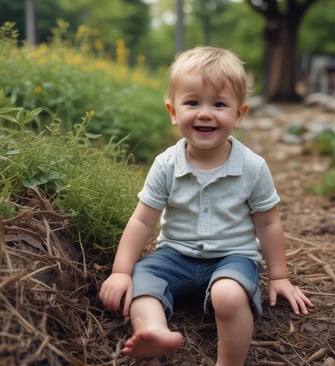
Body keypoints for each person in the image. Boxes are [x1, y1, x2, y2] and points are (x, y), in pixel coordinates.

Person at [99, 46, 314, 366]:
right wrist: (120, 272)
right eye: (192, 102)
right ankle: (156, 332)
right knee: (142, 280)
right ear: (173, 111)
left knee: (228, 295)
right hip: (175, 256)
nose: (204, 113)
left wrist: (279, 276)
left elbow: (268, 224)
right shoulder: (166, 164)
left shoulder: (252, 167)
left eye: (219, 104)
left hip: (232, 258)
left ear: (239, 114)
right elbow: (143, 221)